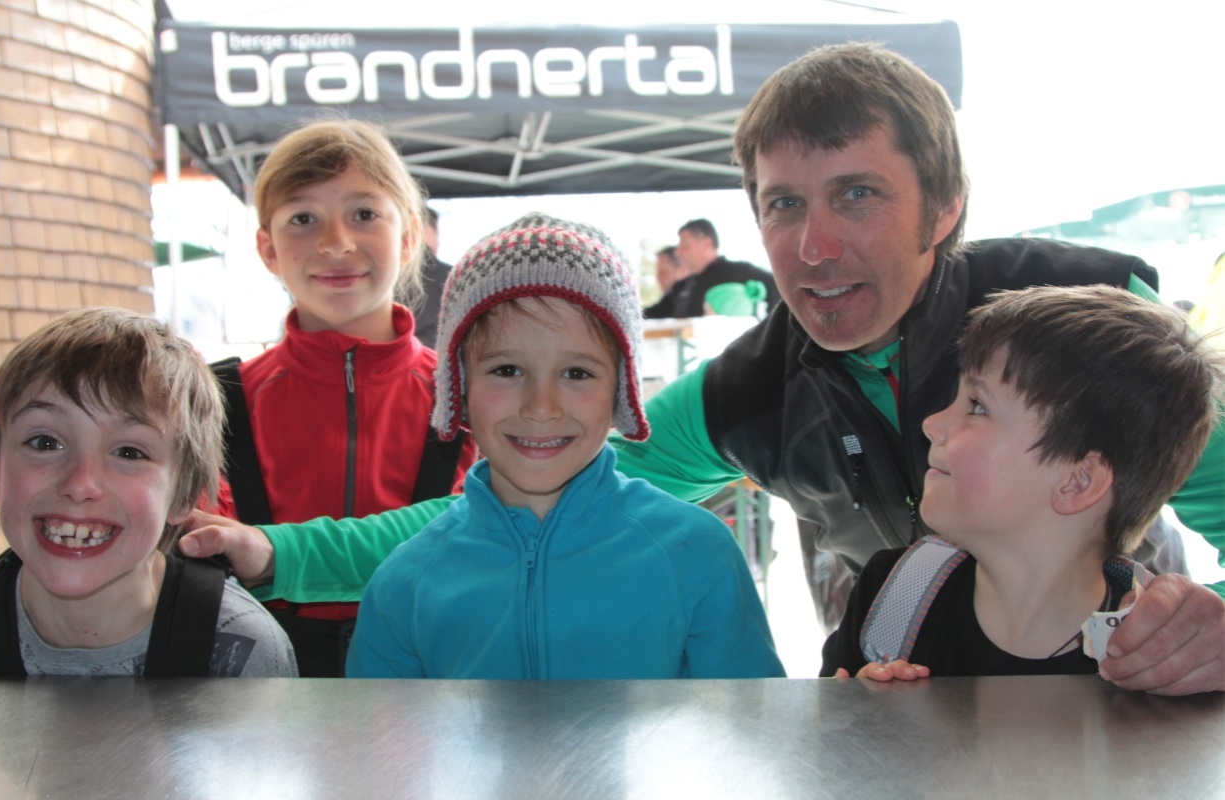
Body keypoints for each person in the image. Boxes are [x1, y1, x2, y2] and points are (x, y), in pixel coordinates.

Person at [181, 43, 1225, 695]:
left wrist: (1207, 636)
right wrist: (276, 552)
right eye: (783, 203)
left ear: (945, 205)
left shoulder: (1070, 331)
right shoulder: (749, 391)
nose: (813, 245)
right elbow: (509, 501)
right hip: (902, 685)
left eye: (857, 195)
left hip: (1126, 686)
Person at [346, 212, 784, 679]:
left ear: (621, 391)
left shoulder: (698, 554)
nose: (541, 407)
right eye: (506, 370)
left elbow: (747, 719)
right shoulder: (405, 582)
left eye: (577, 373)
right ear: (459, 388)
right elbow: (384, 728)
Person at [820, 285, 1224, 680]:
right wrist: (864, 710)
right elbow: (829, 722)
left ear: (1078, 482)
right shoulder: (890, 600)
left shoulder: (1164, 658)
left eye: (977, 407)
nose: (932, 424)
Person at [212, 119, 477, 676]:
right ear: (268, 248)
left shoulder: (470, 398)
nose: (336, 243)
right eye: (303, 219)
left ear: (409, 237)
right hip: (266, 685)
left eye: (364, 214)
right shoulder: (215, 403)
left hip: (435, 678)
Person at [0, 308, 296, 676]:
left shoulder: (243, 654)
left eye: (129, 452)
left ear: (185, 494)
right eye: (45, 442)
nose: (80, 485)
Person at [643, 219, 778, 319]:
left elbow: (776, 286)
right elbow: (652, 314)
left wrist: (768, 330)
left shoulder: (739, 272)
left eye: (684, 245)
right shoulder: (682, 286)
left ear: (707, 243)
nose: (678, 252)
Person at [414, 204, 453, 349]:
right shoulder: (453, 276)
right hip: (439, 357)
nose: (439, 241)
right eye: (436, 232)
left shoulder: (381, 279)